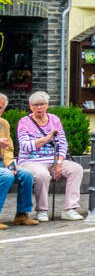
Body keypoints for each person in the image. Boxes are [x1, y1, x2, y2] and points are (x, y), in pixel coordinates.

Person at [15, 92, 82, 220]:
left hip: (53, 160)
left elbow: (63, 143)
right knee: (42, 175)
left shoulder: (55, 120)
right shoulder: (24, 122)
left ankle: (70, 209)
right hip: (31, 161)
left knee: (76, 169)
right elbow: (25, 146)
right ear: (30, 106)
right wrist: (47, 138)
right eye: (36, 105)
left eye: (42, 104)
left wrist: (60, 163)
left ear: (47, 105)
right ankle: (42, 210)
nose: (39, 108)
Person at [0, 93, 40, 227]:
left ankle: (22, 215)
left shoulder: (3, 124)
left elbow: (8, 149)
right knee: (6, 175)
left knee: (26, 174)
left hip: (2, 163)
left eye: (1, 108)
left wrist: (11, 165)